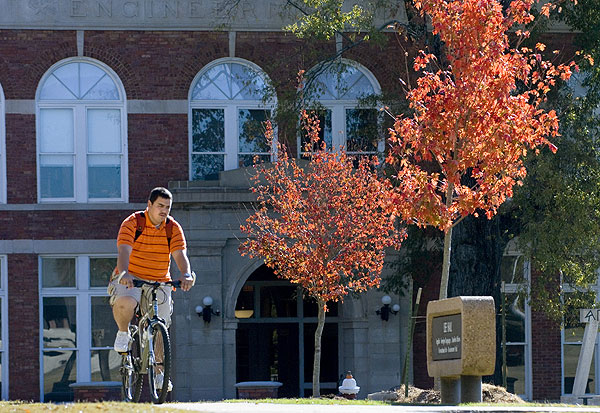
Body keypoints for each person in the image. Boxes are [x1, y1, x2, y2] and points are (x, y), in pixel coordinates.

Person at [108, 187, 195, 388]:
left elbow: (180, 256)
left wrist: (186, 275)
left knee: (161, 326)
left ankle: (158, 373)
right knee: (126, 302)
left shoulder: (172, 228)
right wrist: (124, 274)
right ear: (149, 205)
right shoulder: (132, 223)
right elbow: (123, 252)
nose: (164, 211)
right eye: (160, 206)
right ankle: (123, 333)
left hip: (160, 280)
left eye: (167, 207)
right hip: (131, 277)